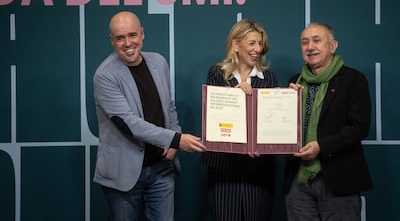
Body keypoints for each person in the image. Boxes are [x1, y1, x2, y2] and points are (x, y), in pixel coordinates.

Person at [93, 11, 206, 221]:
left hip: (161, 169)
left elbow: (169, 107)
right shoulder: (105, 75)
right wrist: (177, 140)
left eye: (132, 35)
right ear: (112, 40)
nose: (128, 43)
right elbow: (128, 123)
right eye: (120, 38)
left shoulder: (159, 62)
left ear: (142, 34)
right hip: (124, 174)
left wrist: (174, 139)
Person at [284, 22, 373, 220]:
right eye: (304, 42)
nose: (310, 47)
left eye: (317, 40)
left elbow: (359, 127)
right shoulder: (294, 82)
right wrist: (286, 104)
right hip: (299, 182)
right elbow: (282, 128)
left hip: (338, 180)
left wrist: (321, 146)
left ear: (333, 46)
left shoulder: (353, 79)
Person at [200, 19, 277, 221]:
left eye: (260, 44)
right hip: (224, 166)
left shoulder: (269, 79)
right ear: (235, 45)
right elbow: (215, 115)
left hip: (258, 169)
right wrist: (235, 94)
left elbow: (269, 122)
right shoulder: (217, 73)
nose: (257, 49)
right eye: (251, 43)